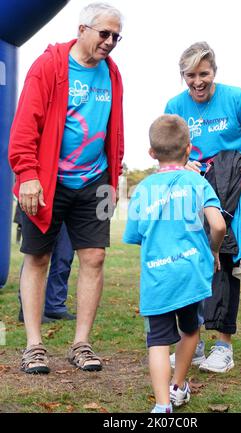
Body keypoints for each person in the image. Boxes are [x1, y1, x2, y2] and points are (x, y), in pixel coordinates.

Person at [8, 2, 124, 374]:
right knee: (38, 259)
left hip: (96, 181)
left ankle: (81, 344)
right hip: (45, 181)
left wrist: (115, 177)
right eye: (104, 33)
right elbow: (26, 124)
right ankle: (34, 345)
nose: (110, 42)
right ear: (82, 30)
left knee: (95, 257)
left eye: (116, 36)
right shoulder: (50, 66)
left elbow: (114, 127)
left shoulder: (113, 72)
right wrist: (26, 174)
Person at [165, 41, 241, 373]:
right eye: (190, 75)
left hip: (232, 190)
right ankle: (190, 343)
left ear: (215, 72)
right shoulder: (174, 105)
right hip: (192, 190)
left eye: (204, 74)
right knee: (190, 260)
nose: (198, 82)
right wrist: (183, 164)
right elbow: (170, 149)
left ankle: (224, 346)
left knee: (224, 258)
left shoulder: (236, 98)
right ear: (182, 75)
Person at [123, 114, 226, 413]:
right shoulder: (197, 181)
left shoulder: (142, 190)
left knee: (157, 340)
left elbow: (136, 235)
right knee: (190, 330)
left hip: (158, 277)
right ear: (189, 149)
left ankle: (162, 404)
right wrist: (213, 251)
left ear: (152, 153)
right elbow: (218, 226)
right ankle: (178, 386)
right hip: (191, 273)